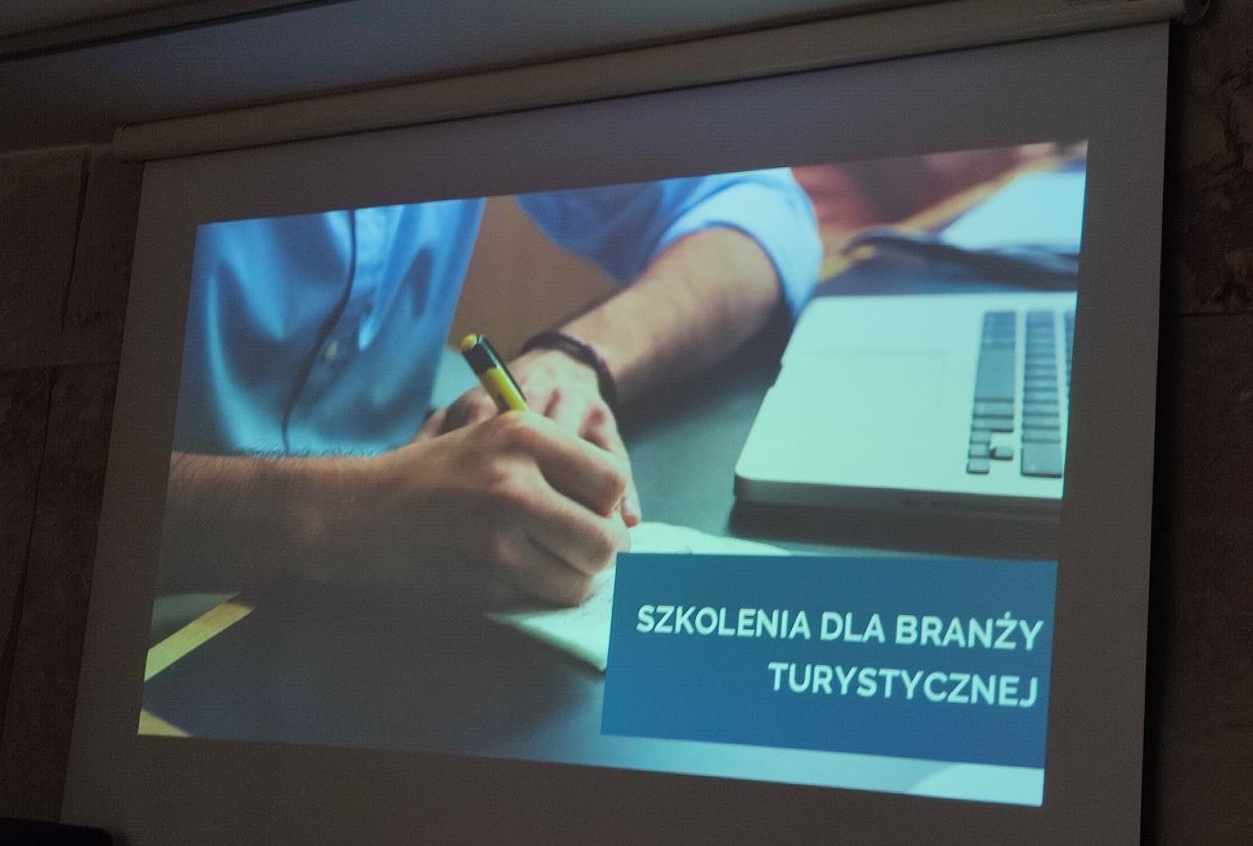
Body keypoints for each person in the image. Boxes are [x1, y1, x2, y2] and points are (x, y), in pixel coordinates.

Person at [159, 171, 823, 608]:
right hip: (147, 606)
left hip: (418, 566)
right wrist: (340, 512)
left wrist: (576, 355)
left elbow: (758, 209)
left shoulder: (480, 26)